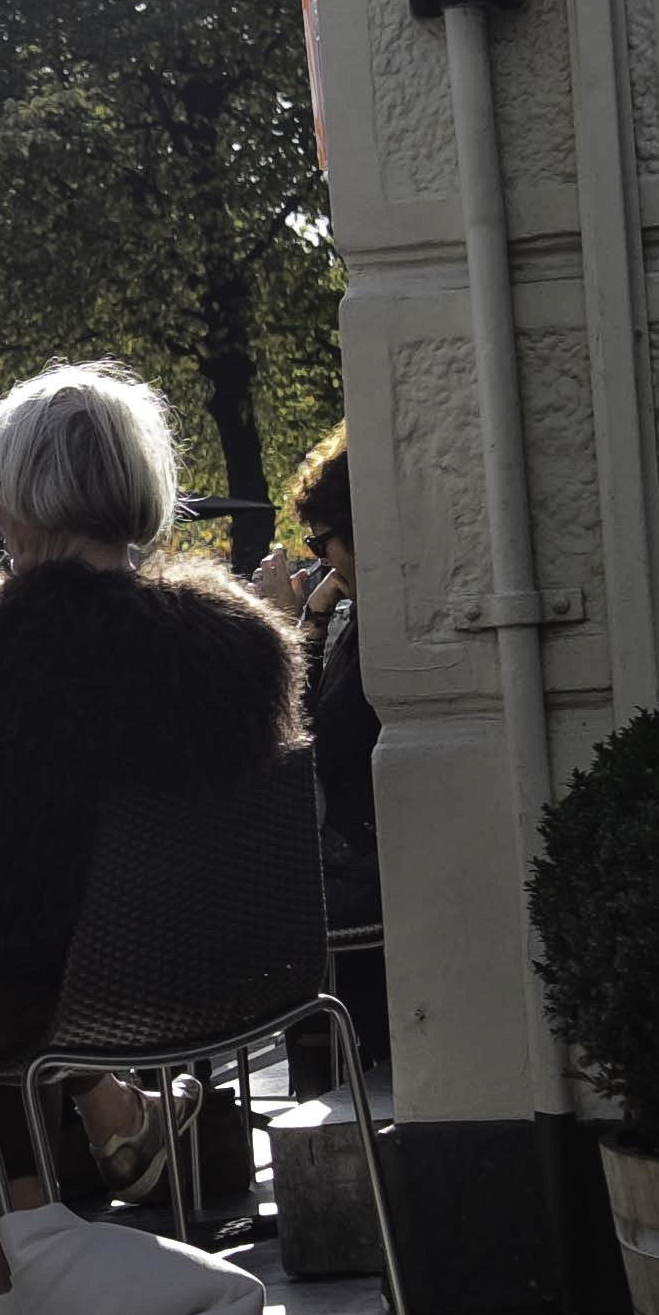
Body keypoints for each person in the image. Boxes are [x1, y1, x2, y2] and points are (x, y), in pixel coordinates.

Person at [0, 363, 299, 1210]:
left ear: (28, 498)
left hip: (39, 999)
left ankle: (28, 1205)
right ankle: (109, 1121)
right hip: (243, 971)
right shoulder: (244, 641)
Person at [278, 425, 384, 1059]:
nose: (320, 560)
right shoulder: (358, 623)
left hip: (365, 867)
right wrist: (313, 621)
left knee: (270, 898)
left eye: (321, 543)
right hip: (356, 853)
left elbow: (314, 740)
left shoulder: (382, 638)